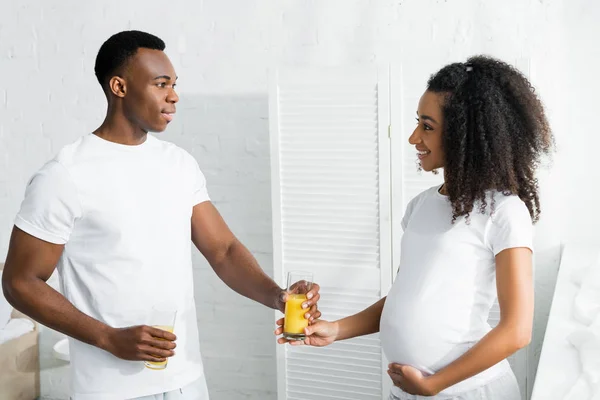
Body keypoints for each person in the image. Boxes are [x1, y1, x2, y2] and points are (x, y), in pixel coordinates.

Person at [1, 30, 321, 400]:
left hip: (187, 381)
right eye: (160, 83)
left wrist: (278, 296)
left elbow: (224, 251)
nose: (174, 95)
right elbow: (20, 282)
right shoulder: (65, 175)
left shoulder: (178, 164)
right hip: (110, 390)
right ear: (119, 86)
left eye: (174, 84)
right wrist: (108, 337)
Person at [276, 55, 553, 399]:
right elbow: (405, 298)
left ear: (463, 134)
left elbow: (517, 330)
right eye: (417, 123)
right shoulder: (420, 206)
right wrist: (336, 329)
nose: (413, 138)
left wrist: (433, 385)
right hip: (410, 392)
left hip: (468, 393)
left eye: (427, 126)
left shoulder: (504, 211)